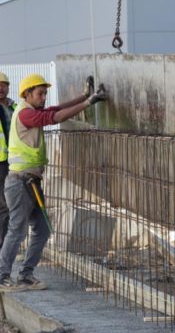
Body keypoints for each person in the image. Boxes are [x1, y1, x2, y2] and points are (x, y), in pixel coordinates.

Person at [0, 74, 106, 292]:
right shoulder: (26, 114)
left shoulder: (31, 110)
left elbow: (55, 109)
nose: (44, 97)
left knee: (41, 229)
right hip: (19, 182)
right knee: (17, 230)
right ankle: (2, 277)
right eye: (40, 93)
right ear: (27, 94)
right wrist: (88, 103)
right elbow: (54, 117)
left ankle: (26, 275)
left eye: (45, 93)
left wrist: (83, 96)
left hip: (31, 182)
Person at [0, 72, 17, 248]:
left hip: (14, 162)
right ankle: (3, 246)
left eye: (3, 84)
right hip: (0, 162)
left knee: (11, 204)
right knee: (4, 206)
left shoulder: (15, 107)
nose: (0, 88)